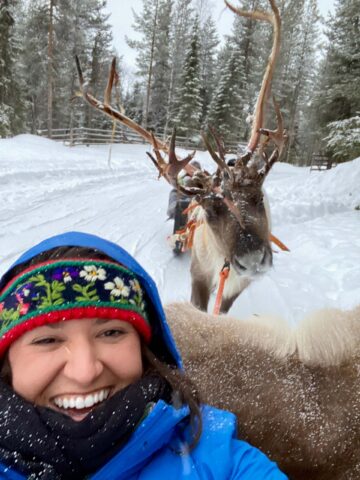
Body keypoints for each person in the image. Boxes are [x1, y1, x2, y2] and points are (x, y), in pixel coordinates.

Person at [0, 231, 288, 479]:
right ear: (7, 362)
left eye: (111, 333)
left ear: (145, 348)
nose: (85, 372)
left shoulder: (222, 461)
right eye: (47, 340)